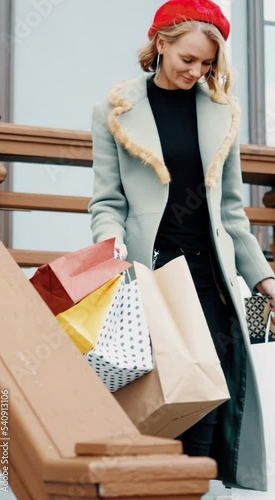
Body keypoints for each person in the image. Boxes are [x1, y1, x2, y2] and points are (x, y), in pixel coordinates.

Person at [89, 0, 275, 492]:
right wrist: (108, 244)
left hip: (208, 275)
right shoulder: (116, 108)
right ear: (161, 43)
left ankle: (191, 487)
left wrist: (264, 277)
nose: (197, 72)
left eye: (208, 63)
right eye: (187, 59)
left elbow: (232, 211)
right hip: (146, 273)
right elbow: (107, 200)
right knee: (154, 390)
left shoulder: (221, 112)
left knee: (209, 388)